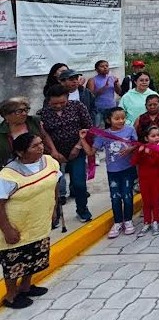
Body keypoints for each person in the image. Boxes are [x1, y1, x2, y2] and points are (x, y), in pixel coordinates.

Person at [0, 133, 61, 309]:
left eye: (41, 143)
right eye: (35, 146)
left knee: (35, 256)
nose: (41, 147)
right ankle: (11, 295)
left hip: (39, 221)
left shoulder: (50, 162)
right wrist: (7, 229)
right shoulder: (7, 174)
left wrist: (54, 208)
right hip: (17, 224)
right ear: (20, 152)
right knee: (15, 261)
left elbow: (55, 184)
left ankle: (26, 287)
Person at [38, 86, 93, 222]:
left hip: (77, 151)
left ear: (68, 98)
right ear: (48, 101)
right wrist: (54, 152)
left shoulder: (78, 107)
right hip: (54, 155)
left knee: (79, 183)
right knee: (53, 185)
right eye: (54, 103)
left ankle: (82, 210)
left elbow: (88, 128)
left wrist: (78, 146)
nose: (58, 106)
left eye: (62, 103)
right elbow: (43, 135)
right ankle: (55, 215)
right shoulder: (42, 114)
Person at [89, 107, 138, 238]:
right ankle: (117, 222)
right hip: (113, 171)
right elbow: (91, 152)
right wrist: (82, 140)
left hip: (128, 169)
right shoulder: (104, 135)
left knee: (127, 196)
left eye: (123, 118)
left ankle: (128, 220)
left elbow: (137, 145)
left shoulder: (130, 130)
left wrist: (129, 150)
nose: (121, 121)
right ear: (108, 120)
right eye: (117, 118)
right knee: (115, 197)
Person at [0, 98, 58, 172]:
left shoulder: (34, 121)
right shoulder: (2, 132)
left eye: (26, 110)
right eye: (19, 111)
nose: (24, 114)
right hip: (14, 169)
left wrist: (54, 151)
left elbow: (44, 136)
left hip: (39, 162)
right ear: (6, 115)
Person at [132, 126, 159, 236]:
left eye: (158, 135)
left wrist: (150, 153)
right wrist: (139, 152)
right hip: (144, 180)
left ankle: (156, 222)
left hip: (156, 180)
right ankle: (146, 222)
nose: (157, 138)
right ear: (146, 138)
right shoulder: (143, 148)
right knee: (146, 201)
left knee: (156, 201)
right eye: (153, 136)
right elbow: (134, 162)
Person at [86, 60, 121, 126]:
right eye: (102, 66)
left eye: (107, 66)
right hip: (98, 109)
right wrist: (105, 87)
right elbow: (90, 95)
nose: (105, 68)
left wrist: (116, 84)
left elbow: (119, 92)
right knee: (98, 128)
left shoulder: (112, 78)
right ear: (96, 69)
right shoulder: (92, 80)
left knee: (111, 128)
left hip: (111, 107)